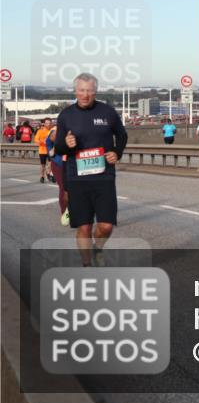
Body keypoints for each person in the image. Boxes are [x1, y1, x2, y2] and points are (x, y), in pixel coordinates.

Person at [54, 73, 128, 266]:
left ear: (95, 92)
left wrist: (117, 152)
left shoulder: (107, 112)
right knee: (84, 227)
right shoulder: (66, 115)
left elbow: (121, 135)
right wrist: (66, 143)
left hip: (104, 177)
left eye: (89, 91)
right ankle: (87, 265)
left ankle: (98, 248)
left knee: (106, 226)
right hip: (77, 178)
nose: (85, 95)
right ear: (75, 91)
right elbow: (59, 148)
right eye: (81, 90)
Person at [45, 125, 69, 226]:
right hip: (59, 164)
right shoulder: (56, 130)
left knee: (77, 189)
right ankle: (65, 212)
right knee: (64, 188)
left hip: (73, 164)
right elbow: (49, 143)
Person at [34, 117, 52, 183]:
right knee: (43, 165)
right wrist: (42, 142)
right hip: (42, 150)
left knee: (51, 163)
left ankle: (48, 173)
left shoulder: (52, 131)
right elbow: (36, 139)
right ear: (44, 124)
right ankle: (42, 176)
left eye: (50, 123)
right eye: (47, 123)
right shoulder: (40, 131)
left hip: (50, 150)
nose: (48, 124)